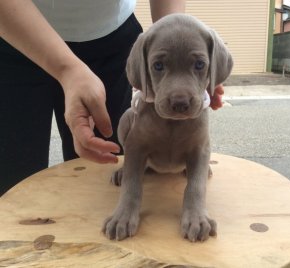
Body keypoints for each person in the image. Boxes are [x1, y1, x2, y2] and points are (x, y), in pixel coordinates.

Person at [0, 0, 224, 196]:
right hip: (16, 34)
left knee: (101, 180)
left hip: (111, 39)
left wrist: (177, 51)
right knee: (12, 184)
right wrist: (67, 70)